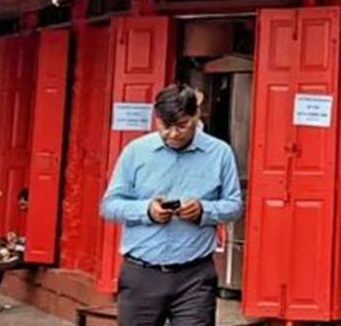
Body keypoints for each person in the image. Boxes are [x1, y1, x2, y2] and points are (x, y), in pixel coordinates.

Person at [101, 84, 242, 326]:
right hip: (141, 273)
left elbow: (234, 206)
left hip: (194, 277)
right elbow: (109, 206)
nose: (174, 134)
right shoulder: (136, 152)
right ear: (157, 120)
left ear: (196, 116)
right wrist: (147, 211)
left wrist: (203, 211)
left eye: (182, 125)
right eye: (166, 126)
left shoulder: (220, 153)